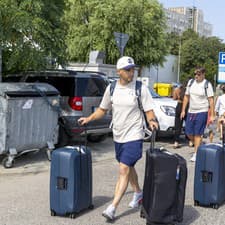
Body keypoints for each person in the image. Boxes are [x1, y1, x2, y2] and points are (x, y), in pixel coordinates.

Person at [78, 56, 158, 222]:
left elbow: (149, 110)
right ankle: (138, 193)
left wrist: (152, 121)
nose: (132, 72)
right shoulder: (112, 88)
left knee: (123, 168)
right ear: (119, 71)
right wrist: (89, 118)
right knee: (128, 167)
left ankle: (112, 207)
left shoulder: (140, 88)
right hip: (118, 135)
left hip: (134, 134)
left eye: (133, 69)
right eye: (128, 69)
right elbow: (102, 109)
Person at [180, 67, 215, 162]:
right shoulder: (191, 83)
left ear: (203, 74)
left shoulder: (207, 85)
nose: (196, 76)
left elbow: (211, 100)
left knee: (197, 133)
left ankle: (196, 153)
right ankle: (199, 143)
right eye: (195, 74)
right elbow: (186, 97)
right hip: (191, 111)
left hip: (202, 111)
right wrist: (183, 110)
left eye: (199, 74)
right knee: (188, 133)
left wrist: (212, 115)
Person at [172, 81, 191, 148]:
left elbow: (174, 98)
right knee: (188, 125)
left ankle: (176, 142)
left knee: (178, 125)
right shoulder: (190, 91)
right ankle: (190, 141)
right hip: (187, 106)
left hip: (179, 106)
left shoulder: (177, 89)